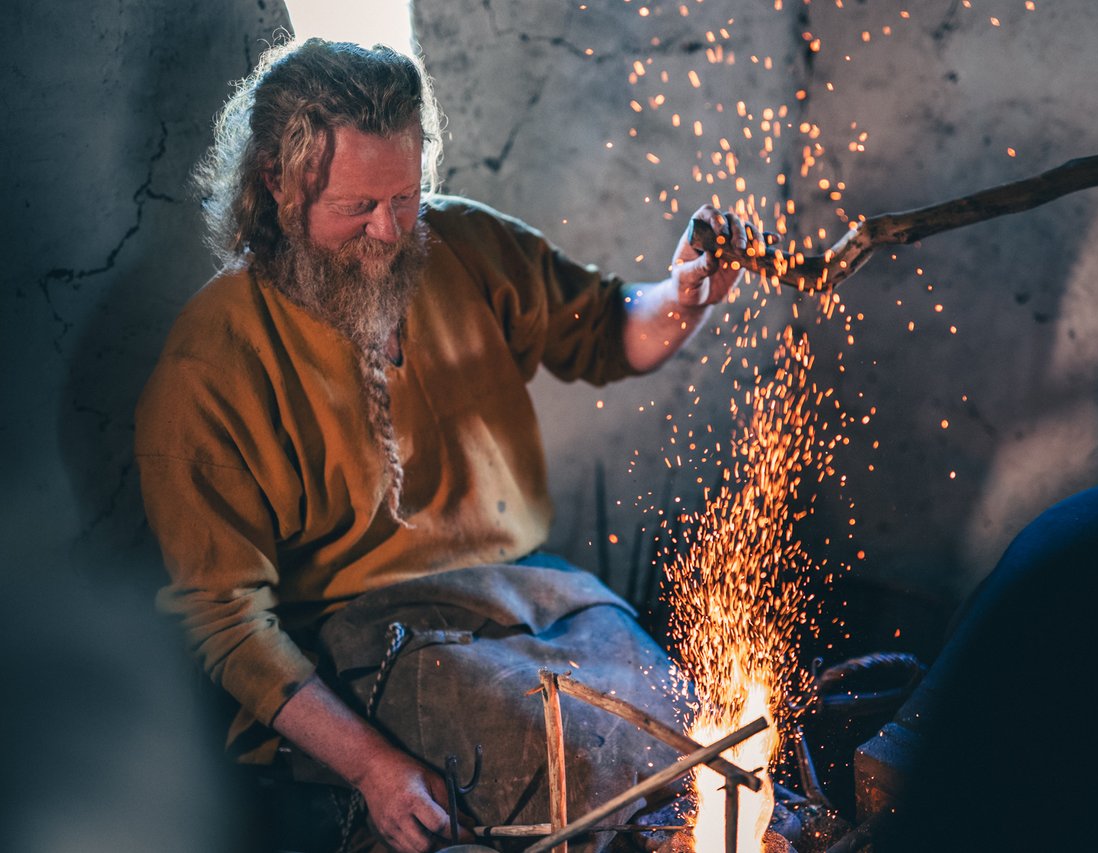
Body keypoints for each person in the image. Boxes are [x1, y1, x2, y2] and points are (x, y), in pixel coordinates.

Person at [135, 38, 746, 853]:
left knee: (693, 738)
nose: (390, 230)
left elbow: (606, 330)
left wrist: (681, 296)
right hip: (366, 632)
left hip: (538, 594)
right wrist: (372, 766)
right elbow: (227, 624)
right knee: (581, 768)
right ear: (276, 183)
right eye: (358, 206)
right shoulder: (210, 364)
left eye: (405, 195)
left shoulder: (463, 244)